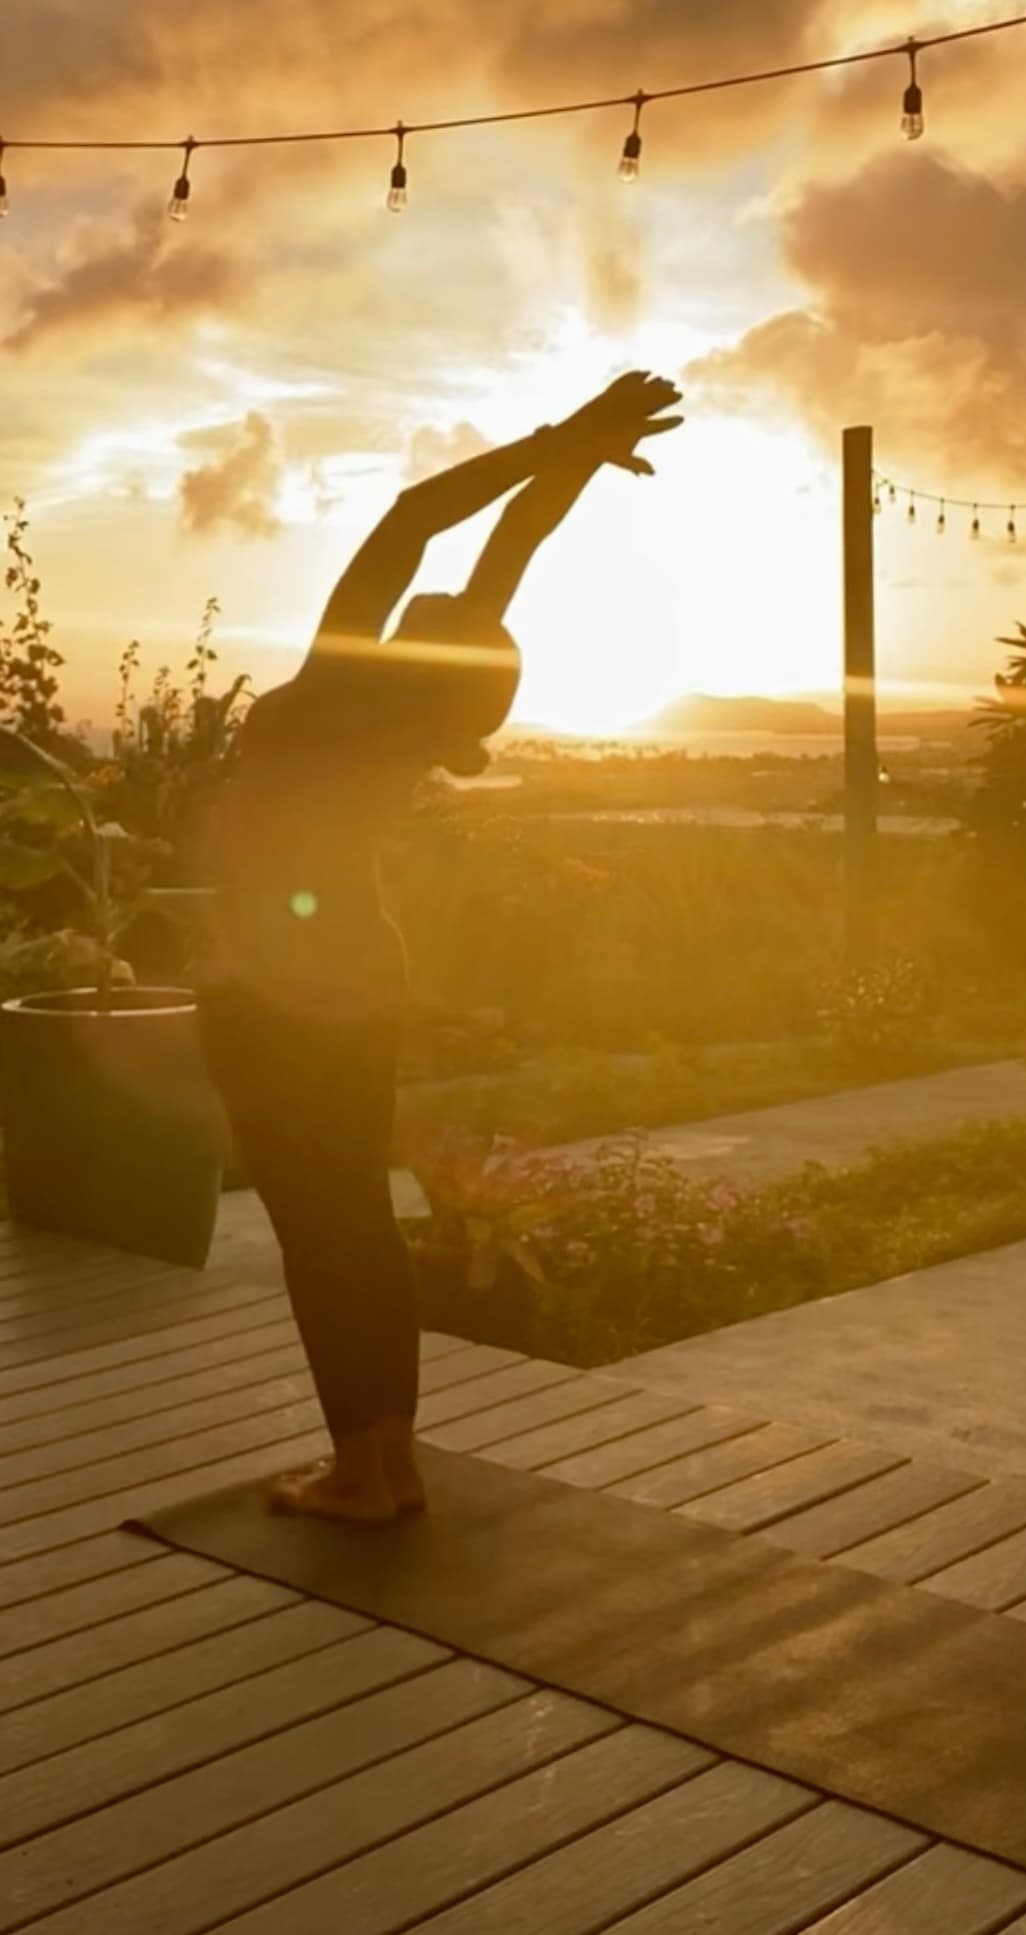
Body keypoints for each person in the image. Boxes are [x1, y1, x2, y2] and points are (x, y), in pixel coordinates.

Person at [197, 371, 684, 1522]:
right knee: (356, 1214)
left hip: (273, 985)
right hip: (361, 963)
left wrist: (563, 437)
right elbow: (507, 552)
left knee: (316, 1230)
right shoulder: (413, 710)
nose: (435, 598)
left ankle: (360, 1471)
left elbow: (415, 520)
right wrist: (574, 454)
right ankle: (387, 1461)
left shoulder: (329, 692)